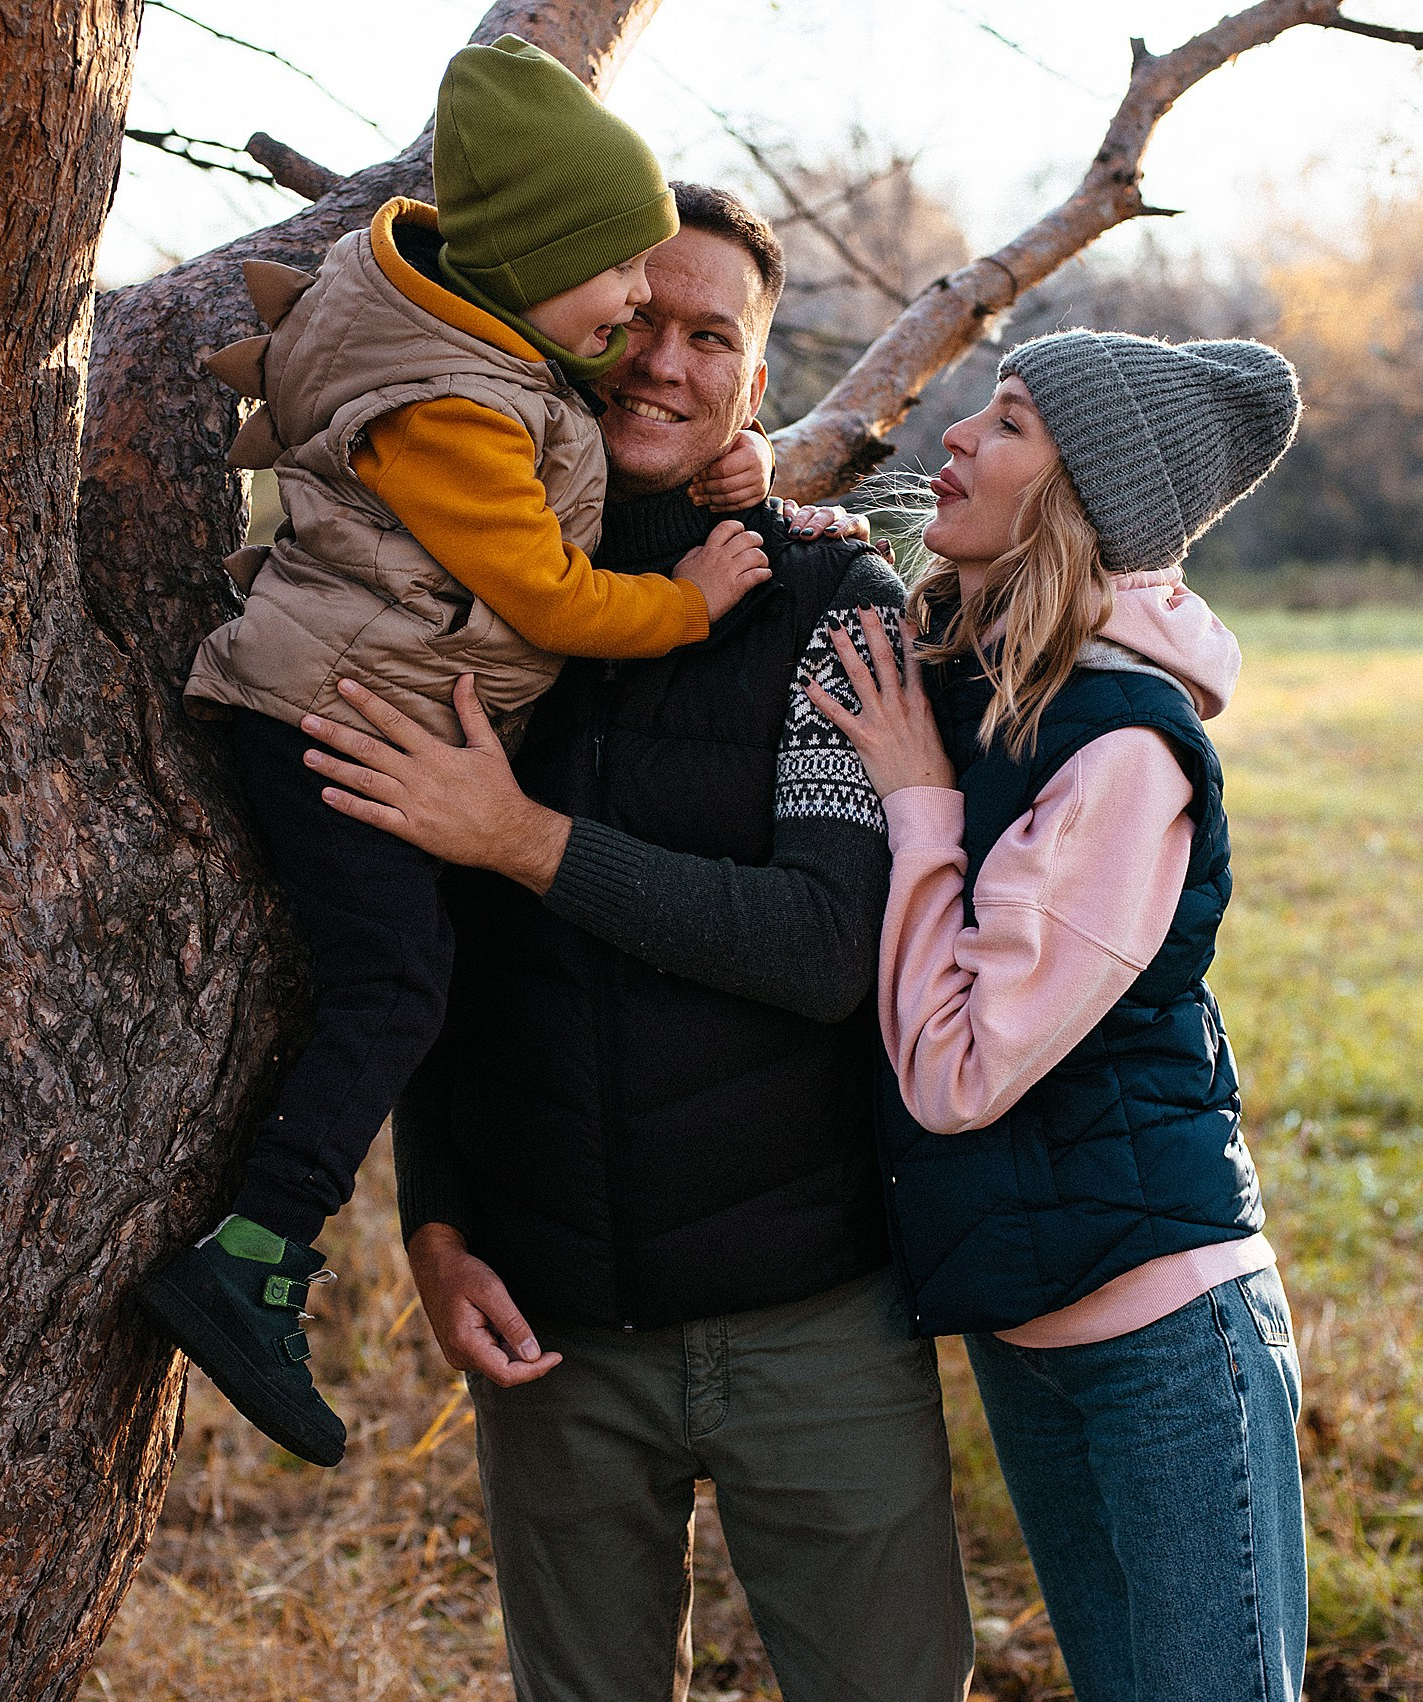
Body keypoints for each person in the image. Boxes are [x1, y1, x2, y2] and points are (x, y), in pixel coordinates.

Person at [297, 184, 976, 1702]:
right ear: (574, 332)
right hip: (554, 1331)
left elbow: (821, 940)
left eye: (708, 336)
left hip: (815, 1319)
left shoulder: (829, 605)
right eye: (638, 320)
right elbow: (427, 944)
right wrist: (438, 1217)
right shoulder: (458, 593)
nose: (662, 360)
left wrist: (524, 839)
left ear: (755, 382)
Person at [146, 37, 774, 1468]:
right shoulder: (451, 404)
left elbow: (616, 449)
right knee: (401, 977)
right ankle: (252, 1246)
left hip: (355, 697)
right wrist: (690, 603)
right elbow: (552, 589)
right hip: (343, 716)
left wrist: (753, 469)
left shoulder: (484, 349)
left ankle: (261, 1238)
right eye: (623, 282)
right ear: (537, 266)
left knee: (414, 971)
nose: (638, 317)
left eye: (697, 325)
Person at [805, 330, 1310, 1702]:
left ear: (1080, 492)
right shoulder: (976, 672)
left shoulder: (1124, 748)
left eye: (1010, 421)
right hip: (1029, 1318)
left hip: (1164, 1340)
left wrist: (915, 799)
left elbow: (962, 1070)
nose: (956, 436)